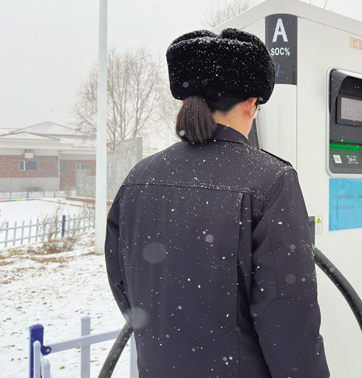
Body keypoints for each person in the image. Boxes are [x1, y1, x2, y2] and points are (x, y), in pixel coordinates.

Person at [105, 29, 329, 378]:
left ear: (185, 102)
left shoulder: (139, 177)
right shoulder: (271, 180)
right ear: (251, 103)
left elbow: (123, 281)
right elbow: (287, 314)